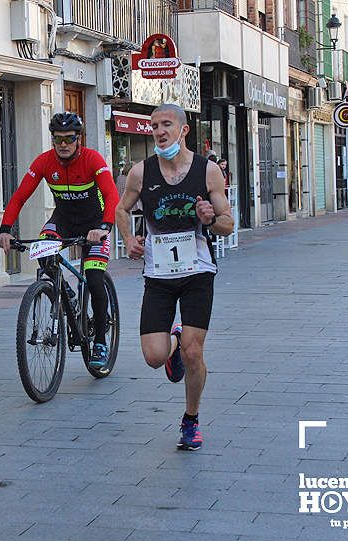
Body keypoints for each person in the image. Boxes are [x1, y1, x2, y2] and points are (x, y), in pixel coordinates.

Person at [116, 104, 233, 450]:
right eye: (153, 126)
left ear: (184, 130)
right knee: (154, 357)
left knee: (194, 353)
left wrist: (210, 218)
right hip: (159, 274)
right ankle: (174, 342)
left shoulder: (208, 171)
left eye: (166, 124)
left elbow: (227, 224)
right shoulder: (141, 173)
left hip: (198, 271)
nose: (158, 131)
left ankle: (191, 420)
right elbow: (122, 209)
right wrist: (128, 239)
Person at [0, 112, 119, 372]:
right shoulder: (44, 162)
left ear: (78, 139)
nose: (63, 144)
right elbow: (19, 196)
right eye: (57, 139)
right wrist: (5, 229)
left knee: (95, 277)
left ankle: (99, 342)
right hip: (63, 220)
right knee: (42, 252)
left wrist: (105, 228)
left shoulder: (92, 159)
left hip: (95, 225)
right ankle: (68, 294)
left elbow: (111, 194)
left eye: (69, 139)